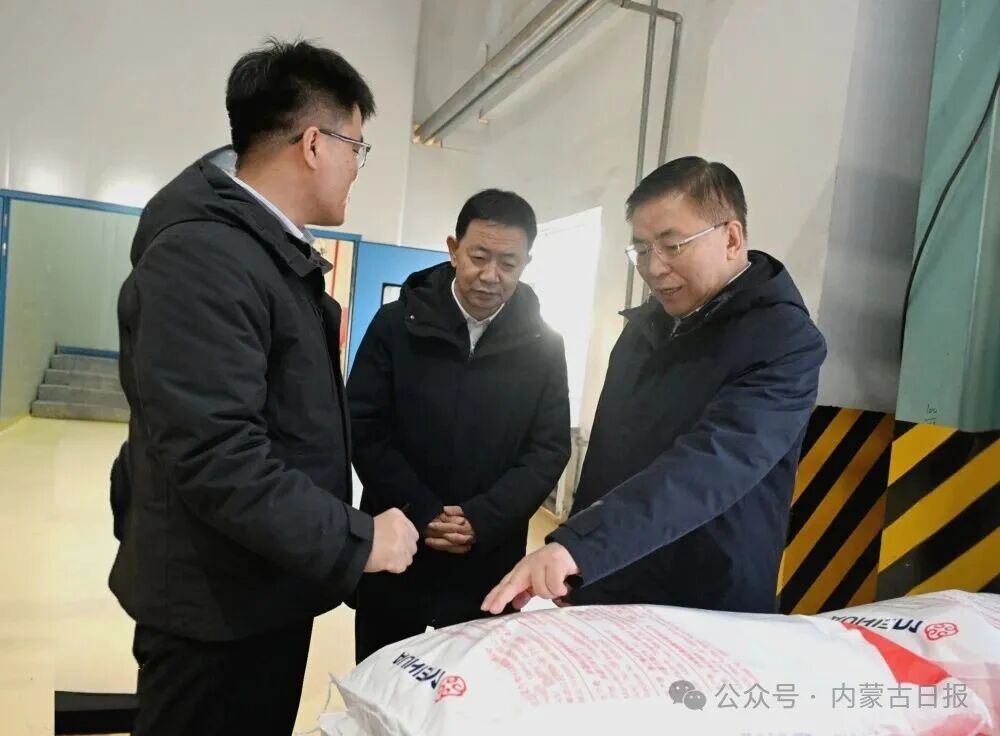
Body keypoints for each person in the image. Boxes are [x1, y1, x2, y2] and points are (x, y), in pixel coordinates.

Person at [108, 40, 418, 736]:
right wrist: (358, 538)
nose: (356, 168)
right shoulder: (204, 256)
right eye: (356, 148)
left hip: (259, 583)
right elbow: (217, 454)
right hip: (213, 609)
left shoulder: (262, 252)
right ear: (314, 142)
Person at [483, 157, 827, 616]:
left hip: (704, 603)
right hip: (610, 581)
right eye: (642, 249)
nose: (654, 268)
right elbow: (608, 454)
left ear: (731, 238)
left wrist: (583, 546)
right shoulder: (644, 328)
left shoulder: (785, 342)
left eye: (672, 245)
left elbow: (712, 465)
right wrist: (580, 558)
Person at [349, 189, 571, 662]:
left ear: (526, 263)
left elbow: (549, 447)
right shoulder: (396, 325)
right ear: (453, 250)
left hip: (487, 556)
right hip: (399, 540)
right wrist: (423, 510)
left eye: (508, 263)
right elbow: (364, 426)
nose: (490, 276)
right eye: (478, 256)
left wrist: (483, 518)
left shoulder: (544, 345)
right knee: (381, 673)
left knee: (469, 684)